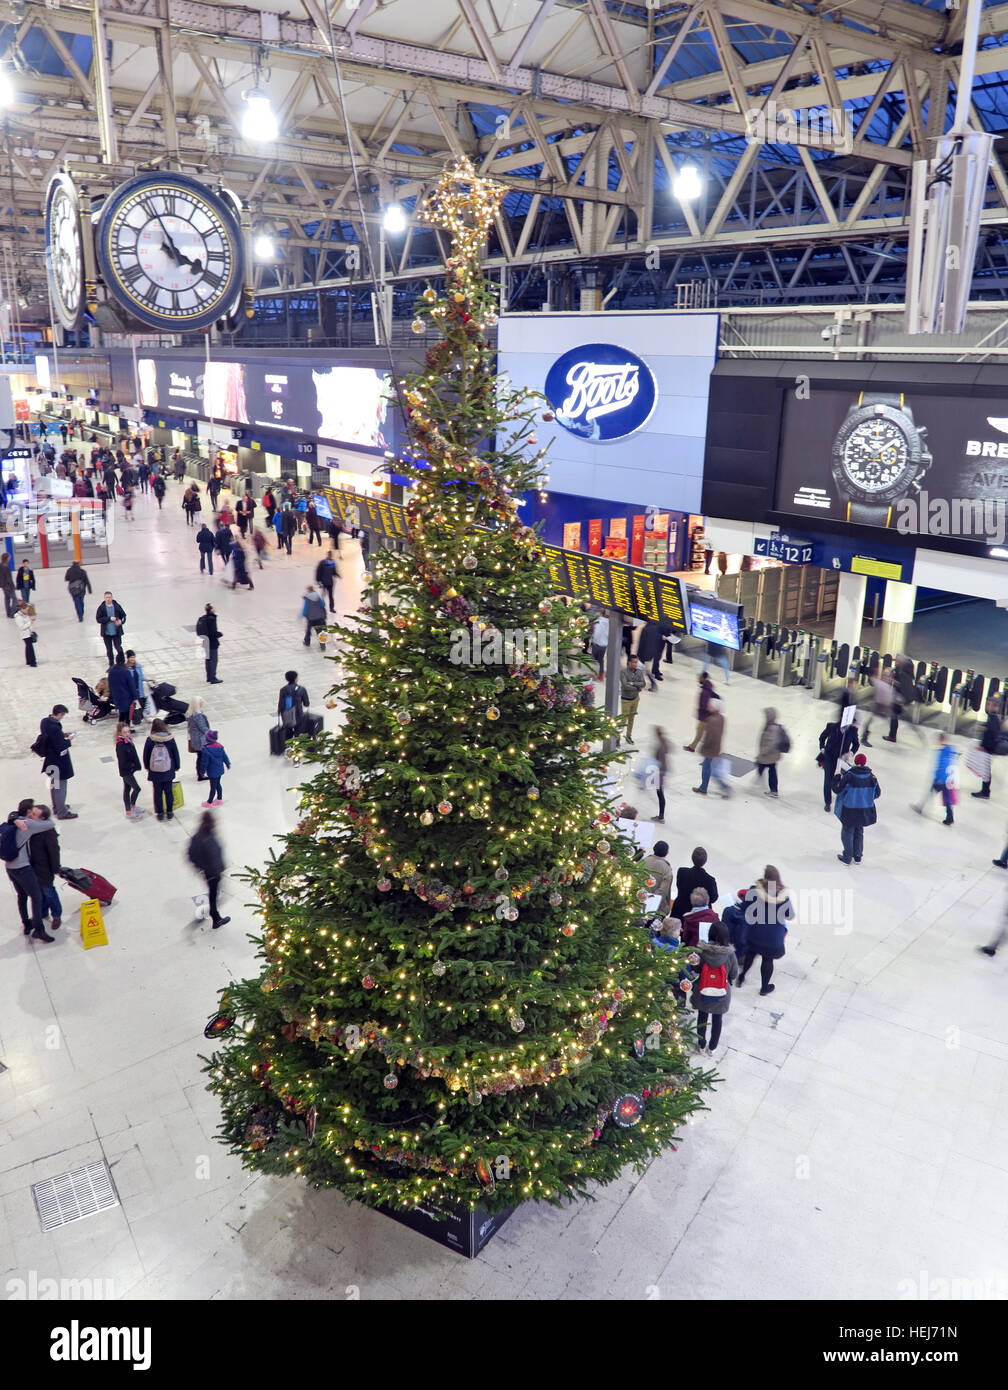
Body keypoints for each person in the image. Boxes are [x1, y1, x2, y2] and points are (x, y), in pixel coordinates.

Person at [4, 798, 56, 941]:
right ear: (27, 812)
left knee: (22, 896)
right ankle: (39, 930)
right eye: (32, 811)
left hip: (10, 867)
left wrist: (14, 818)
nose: (33, 814)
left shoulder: (14, 820)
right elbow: (51, 823)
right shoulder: (29, 824)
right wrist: (36, 818)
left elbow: (12, 815)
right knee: (37, 896)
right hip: (22, 868)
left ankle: (26, 924)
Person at [738, 866, 794, 996]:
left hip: (755, 932)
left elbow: (743, 908)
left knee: (751, 954)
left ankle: (741, 977)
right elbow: (790, 915)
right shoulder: (783, 897)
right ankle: (764, 988)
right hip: (773, 937)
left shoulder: (754, 891)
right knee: (768, 960)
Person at [691, 922, 738, 1056]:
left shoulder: (701, 951)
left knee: (702, 1017)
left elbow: (695, 968)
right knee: (717, 1020)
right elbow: (733, 974)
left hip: (702, 990)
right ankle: (712, 1048)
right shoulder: (730, 955)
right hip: (721, 992)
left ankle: (701, 1045)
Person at [833, 752, 881, 865]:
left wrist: (836, 777)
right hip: (864, 810)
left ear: (855, 762)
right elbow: (877, 793)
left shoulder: (850, 776)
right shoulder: (872, 777)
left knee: (847, 832)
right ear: (864, 763)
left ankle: (847, 857)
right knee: (859, 831)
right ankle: (858, 856)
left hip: (850, 809)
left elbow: (837, 790)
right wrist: (865, 798)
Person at [186, 811, 230, 929]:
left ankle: (214, 914)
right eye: (213, 821)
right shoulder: (202, 838)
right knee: (213, 894)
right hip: (211, 873)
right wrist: (204, 868)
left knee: (214, 893)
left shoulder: (207, 833)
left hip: (214, 871)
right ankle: (215, 917)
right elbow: (191, 855)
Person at [38, 705, 78, 819]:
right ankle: (62, 812)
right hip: (58, 761)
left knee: (54, 785)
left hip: (50, 760)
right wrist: (68, 740)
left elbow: (52, 737)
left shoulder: (45, 722)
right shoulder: (55, 727)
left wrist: (62, 735)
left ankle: (57, 807)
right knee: (61, 787)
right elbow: (60, 746)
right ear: (60, 714)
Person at [28, 805, 63, 927]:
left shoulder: (48, 831)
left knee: (48, 892)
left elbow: (54, 851)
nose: (30, 815)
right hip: (32, 868)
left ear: (42, 818)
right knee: (38, 893)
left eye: (34, 814)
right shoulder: (31, 827)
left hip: (44, 869)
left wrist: (55, 868)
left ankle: (57, 915)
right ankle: (42, 913)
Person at [913, 733, 958, 825]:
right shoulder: (950, 751)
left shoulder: (942, 753)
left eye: (937, 740)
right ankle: (950, 817)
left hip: (941, 780)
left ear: (941, 740)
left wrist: (937, 778)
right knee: (945, 798)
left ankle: (920, 807)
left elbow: (941, 767)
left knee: (932, 793)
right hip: (948, 779)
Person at [143, 718, 181, 822]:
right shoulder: (170, 739)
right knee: (168, 792)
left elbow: (146, 755)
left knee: (157, 793)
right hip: (168, 770)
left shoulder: (150, 740)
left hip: (155, 771)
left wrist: (148, 767)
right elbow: (175, 754)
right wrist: (177, 766)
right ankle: (169, 812)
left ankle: (159, 813)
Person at [818, 718, 860, 813]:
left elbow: (856, 744)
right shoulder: (832, 727)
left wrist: (851, 753)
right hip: (829, 757)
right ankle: (827, 802)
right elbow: (822, 738)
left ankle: (842, 800)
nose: (849, 726)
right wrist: (822, 748)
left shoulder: (853, 731)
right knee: (828, 780)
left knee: (842, 780)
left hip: (842, 760)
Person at [670, 846, 719, 921]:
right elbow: (713, 898)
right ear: (705, 861)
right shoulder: (710, 880)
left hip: (680, 910)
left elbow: (679, 886)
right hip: (699, 915)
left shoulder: (682, 872)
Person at [694, 696, 730, 797]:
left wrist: (704, 747)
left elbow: (710, 737)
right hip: (716, 748)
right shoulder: (721, 718)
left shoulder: (712, 720)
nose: (708, 706)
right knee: (709, 769)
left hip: (710, 749)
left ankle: (725, 788)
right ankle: (703, 787)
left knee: (710, 771)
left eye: (710, 705)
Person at [972, 695, 1003, 799]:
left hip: (988, 748)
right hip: (988, 747)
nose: (988, 706)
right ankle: (985, 791)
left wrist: (984, 747)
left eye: (989, 704)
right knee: (986, 770)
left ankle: (985, 792)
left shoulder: (993, 718)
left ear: (995, 707)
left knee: (986, 770)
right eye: (987, 704)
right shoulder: (992, 717)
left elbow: (992, 735)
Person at [883, 656, 917, 744]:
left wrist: (893, 681)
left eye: (897, 661)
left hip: (900, 698)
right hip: (898, 697)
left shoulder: (904, 674)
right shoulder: (901, 670)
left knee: (894, 716)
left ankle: (892, 736)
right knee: (894, 716)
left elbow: (903, 686)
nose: (896, 662)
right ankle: (892, 735)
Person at [755, 705, 787, 798]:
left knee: (763, 767)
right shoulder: (770, 726)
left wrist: (763, 752)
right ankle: (773, 789)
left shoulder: (772, 728)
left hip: (769, 755)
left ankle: (767, 787)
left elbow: (773, 743)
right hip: (771, 755)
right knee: (771, 770)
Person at [115, 721, 143, 818]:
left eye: (128, 731)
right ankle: (130, 808)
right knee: (137, 788)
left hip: (129, 770)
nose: (128, 734)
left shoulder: (128, 741)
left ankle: (131, 809)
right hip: (126, 771)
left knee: (127, 789)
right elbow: (122, 760)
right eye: (125, 732)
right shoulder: (121, 745)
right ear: (120, 733)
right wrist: (131, 766)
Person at [684, 670, 715, 751]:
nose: (698, 679)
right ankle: (706, 747)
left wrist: (702, 711)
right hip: (705, 716)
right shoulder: (708, 688)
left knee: (699, 732)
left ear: (703, 678)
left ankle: (692, 747)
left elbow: (704, 705)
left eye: (699, 677)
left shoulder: (705, 691)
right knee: (703, 732)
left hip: (704, 716)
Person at [861, 668, 892, 749]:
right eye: (885, 676)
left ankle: (865, 737)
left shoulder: (886, 686)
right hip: (878, 706)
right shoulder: (880, 683)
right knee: (872, 722)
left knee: (873, 721)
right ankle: (864, 738)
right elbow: (872, 679)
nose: (887, 678)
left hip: (883, 707)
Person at [619, 654, 646, 744]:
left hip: (635, 699)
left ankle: (628, 736)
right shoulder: (623, 672)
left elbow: (643, 683)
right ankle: (617, 738)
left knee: (631, 719)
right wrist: (638, 688)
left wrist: (633, 683)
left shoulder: (639, 672)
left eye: (636, 662)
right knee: (623, 720)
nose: (635, 664)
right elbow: (625, 686)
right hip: (626, 700)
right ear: (629, 662)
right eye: (633, 662)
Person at [641, 840, 673, 915]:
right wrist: (649, 905)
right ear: (666, 853)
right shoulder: (667, 869)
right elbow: (662, 891)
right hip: (656, 910)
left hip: (638, 903)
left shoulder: (643, 861)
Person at [637, 619, 671, 690]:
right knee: (643, 668)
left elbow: (650, 637)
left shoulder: (649, 627)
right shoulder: (650, 627)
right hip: (645, 651)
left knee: (642, 668)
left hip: (644, 651)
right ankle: (650, 684)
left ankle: (650, 684)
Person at [200, 729, 231, 807]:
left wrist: (202, 771)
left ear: (207, 739)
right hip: (219, 770)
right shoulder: (220, 747)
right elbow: (225, 757)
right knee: (218, 784)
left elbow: (204, 763)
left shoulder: (206, 750)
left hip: (212, 771)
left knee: (213, 787)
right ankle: (219, 799)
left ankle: (209, 802)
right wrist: (228, 764)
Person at [720, 887, 750, 964]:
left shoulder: (727, 910)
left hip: (724, 946)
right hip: (739, 953)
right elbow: (742, 940)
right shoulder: (748, 918)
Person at [96, 591, 126, 663]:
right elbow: (98, 619)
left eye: (109, 597)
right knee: (109, 650)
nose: (108, 599)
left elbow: (124, 615)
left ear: (112, 598)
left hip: (116, 632)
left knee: (118, 648)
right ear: (104, 598)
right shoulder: (101, 608)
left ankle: (121, 662)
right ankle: (111, 664)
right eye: (107, 597)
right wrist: (108, 618)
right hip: (106, 633)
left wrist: (121, 622)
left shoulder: (117, 606)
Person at [196, 603, 222, 684]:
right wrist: (219, 634)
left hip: (205, 642)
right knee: (213, 661)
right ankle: (213, 678)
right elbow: (212, 632)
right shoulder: (212, 618)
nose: (215, 608)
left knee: (208, 660)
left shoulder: (204, 618)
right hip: (212, 643)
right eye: (213, 607)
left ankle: (209, 677)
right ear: (211, 610)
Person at [277, 670, 310, 736]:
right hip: (298, 715)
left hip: (286, 716)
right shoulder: (302, 689)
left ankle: (289, 744)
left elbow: (280, 704)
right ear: (296, 678)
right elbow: (306, 703)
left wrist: (279, 713)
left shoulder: (283, 690)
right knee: (299, 733)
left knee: (288, 734)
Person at [187, 697, 210, 781]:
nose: (202, 703)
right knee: (202, 757)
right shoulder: (198, 715)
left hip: (195, 739)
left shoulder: (191, 714)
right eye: (200, 702)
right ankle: (201, 774)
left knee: (200, 756)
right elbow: (203, 728)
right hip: (200, 740)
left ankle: (200, 773)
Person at [652, 725, 671, 823]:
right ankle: (661, 816)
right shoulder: (664, 741)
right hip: (663, 770)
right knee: (660, 792)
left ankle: (661, 816)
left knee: (660, 793)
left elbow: (657, 759)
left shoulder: (660, 745)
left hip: (660, 771)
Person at [124, 650, 147, 723]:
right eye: (131, 657)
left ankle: (141, 716)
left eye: (133, 657)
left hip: (139, 688)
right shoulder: (126, 668)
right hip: (131, 690)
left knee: (143, 703)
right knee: (132, 705)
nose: (132, 659)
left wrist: (147, 679)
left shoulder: (138, 666)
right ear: (128, 658)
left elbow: (141, 676)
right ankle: (132, 718)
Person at [15, 600, 37, 665]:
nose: (27, 610)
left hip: (28, 633)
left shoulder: (25, 614)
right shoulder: (18, 617)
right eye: (26, 609)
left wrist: (31, 631)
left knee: (28, 647)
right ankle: (32, 662)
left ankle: (28, 661)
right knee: (30, 647)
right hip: (25, 635)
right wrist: (30, 622)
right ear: (22, 609)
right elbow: (22, 627)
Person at [590, 612, 609, 681]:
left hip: (596, 643)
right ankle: (601, 675)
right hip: (604, 645)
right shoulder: (610, 623)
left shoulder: (597, 621)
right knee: (601, 660)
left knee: (593, 659)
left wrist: (593, 640)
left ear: (601, 614)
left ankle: (593, 674)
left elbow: (596, 633)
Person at [0, 552, 15, 618]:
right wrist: (12, 585)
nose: (10, 558)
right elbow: (8, 577)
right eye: (9, 557)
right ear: (7, 558)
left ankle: (8, 613)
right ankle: (12, 613)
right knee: (15, 599)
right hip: (8, 585)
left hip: (3, 585)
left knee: (7, 598)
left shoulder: (0, 565)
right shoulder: (6, 566)